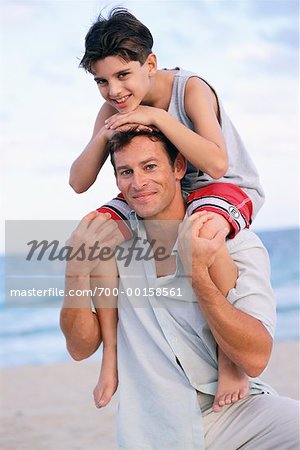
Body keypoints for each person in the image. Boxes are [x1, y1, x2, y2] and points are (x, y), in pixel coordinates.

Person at [70, 7, 266, 411]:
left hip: (220, 188)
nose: (114, 91)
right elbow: (78, 182)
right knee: (96, 232)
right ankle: (111, 359)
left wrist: (156, 117)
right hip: (159, 189)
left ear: (150, 64)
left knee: (202, 232)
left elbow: (216, 163)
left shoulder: (190, 89)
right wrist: (105, 132)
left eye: (123, 75)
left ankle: (230, 359)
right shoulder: (113, 109)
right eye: (102, 82)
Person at [61, 129, 299, 449]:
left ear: (178, 168)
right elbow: (79, 348)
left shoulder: (236, 242)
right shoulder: (113, 245)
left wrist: (198, 273)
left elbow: (255, 358)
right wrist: (75, 273)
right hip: (153, 428)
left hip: (237, 410)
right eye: (126, 172)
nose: (138, 182)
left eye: (150, 167)